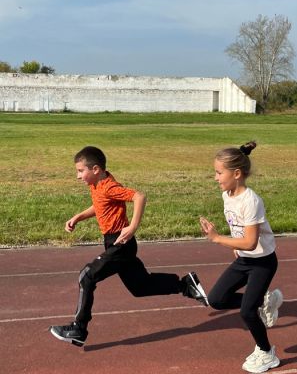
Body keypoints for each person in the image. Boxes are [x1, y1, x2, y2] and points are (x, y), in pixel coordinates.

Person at [50, 146, 208, 347]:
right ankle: (185, 285)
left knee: (87, 276)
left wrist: (132, 227)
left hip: (120, 244)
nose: (78, 176)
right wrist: (78, 217)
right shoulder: (97, 185)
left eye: (81, 171)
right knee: (141, 287)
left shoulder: (108, 186)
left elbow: (139, 196)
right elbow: (100, 205)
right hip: (115, 244)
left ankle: (78, 328)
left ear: (96, 169)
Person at [200, 141, 283, 374]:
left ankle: (267, 353)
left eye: (219, 172)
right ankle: (264, 301)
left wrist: (217, 238)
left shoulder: (251, 200)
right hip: (244, 259)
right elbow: (239, 231)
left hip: (262, 262)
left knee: (247, 312)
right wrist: (232, 246)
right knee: (216, 299)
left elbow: (250, 242)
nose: (215, 177)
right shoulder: (228, 194)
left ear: (236, 174)